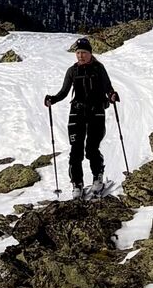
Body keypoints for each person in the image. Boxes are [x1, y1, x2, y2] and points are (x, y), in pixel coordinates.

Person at [45, 36, 119, 196]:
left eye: (84, 52)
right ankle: (76, 183)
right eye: (78, 53)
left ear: (90, 53)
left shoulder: (99, 68)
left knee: (91, 148)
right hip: (77, 113)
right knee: (75, 150)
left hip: (96, 112)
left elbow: (108, 87)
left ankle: (98, 177)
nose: (80, 56)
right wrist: (53, 99)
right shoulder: (72, 71)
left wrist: (112, 95)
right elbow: (64, 92)